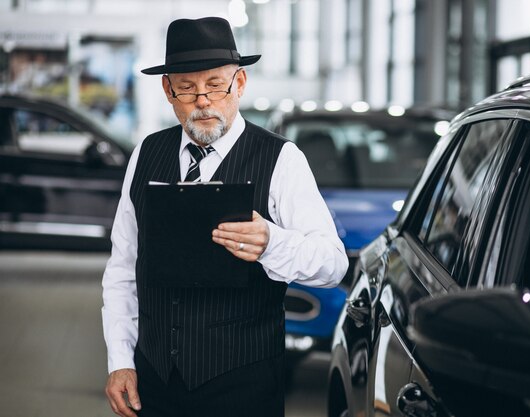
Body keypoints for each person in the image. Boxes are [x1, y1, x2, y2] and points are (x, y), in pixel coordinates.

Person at [101, 16, 348, 417]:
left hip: (244, 384)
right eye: (187, 88)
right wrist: (120, 360)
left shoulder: (281, 159)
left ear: (240, 84)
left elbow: (332, 264)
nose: (203, 101)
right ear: (168, 90)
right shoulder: (146, 154)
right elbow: (123, 268)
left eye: (216, 85)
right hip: (155, 381)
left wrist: (272, 242)